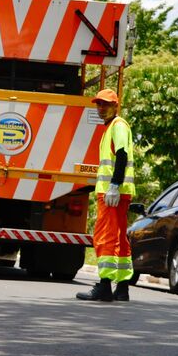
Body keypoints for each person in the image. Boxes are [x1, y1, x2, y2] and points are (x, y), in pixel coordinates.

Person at [76, 88, 135, 302]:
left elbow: (122, 154)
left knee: (105, 237)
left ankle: (104, 286)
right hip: (119, 192)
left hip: (112, 193)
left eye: (105, 104)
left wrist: (114, 185)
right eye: (99, 104)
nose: (101, 108)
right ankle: (122, 287)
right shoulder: (113, 127)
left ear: (115, 106)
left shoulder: (118, 126)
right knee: (119, 237)